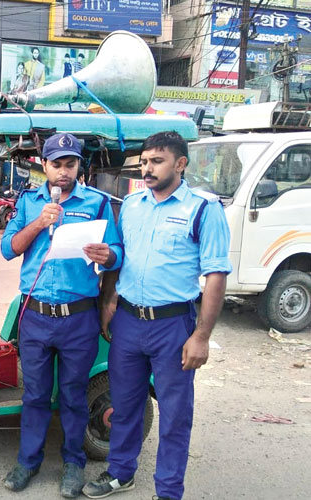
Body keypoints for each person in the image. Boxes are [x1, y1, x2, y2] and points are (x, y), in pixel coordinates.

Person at [82, 131, 231, 500]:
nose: (147, 169)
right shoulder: (133, 204)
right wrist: (108, 300)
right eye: (145, 161)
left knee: (175, 414)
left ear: (180, 164)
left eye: (157, 161)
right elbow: (121, 257)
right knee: (125, 403)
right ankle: (120, 473)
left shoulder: (203, 209)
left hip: (173, 327)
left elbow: (216, 276)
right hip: (129, 322)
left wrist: (201, 336)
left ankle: (168, 491)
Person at [0, 133, 122, 498]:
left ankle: (73, 464)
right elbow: (8, 248)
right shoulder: (28, 202)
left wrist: (108, 255)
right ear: (44, 166)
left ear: (79, 166)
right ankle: (28, 461)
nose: (64, 171)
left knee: (72, 394)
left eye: (71, 164)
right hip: (36, 314)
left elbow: (117, 252)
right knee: (36, 394)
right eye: (57, 164)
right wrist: (39, 223)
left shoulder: (98, 203)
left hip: (78, 317)